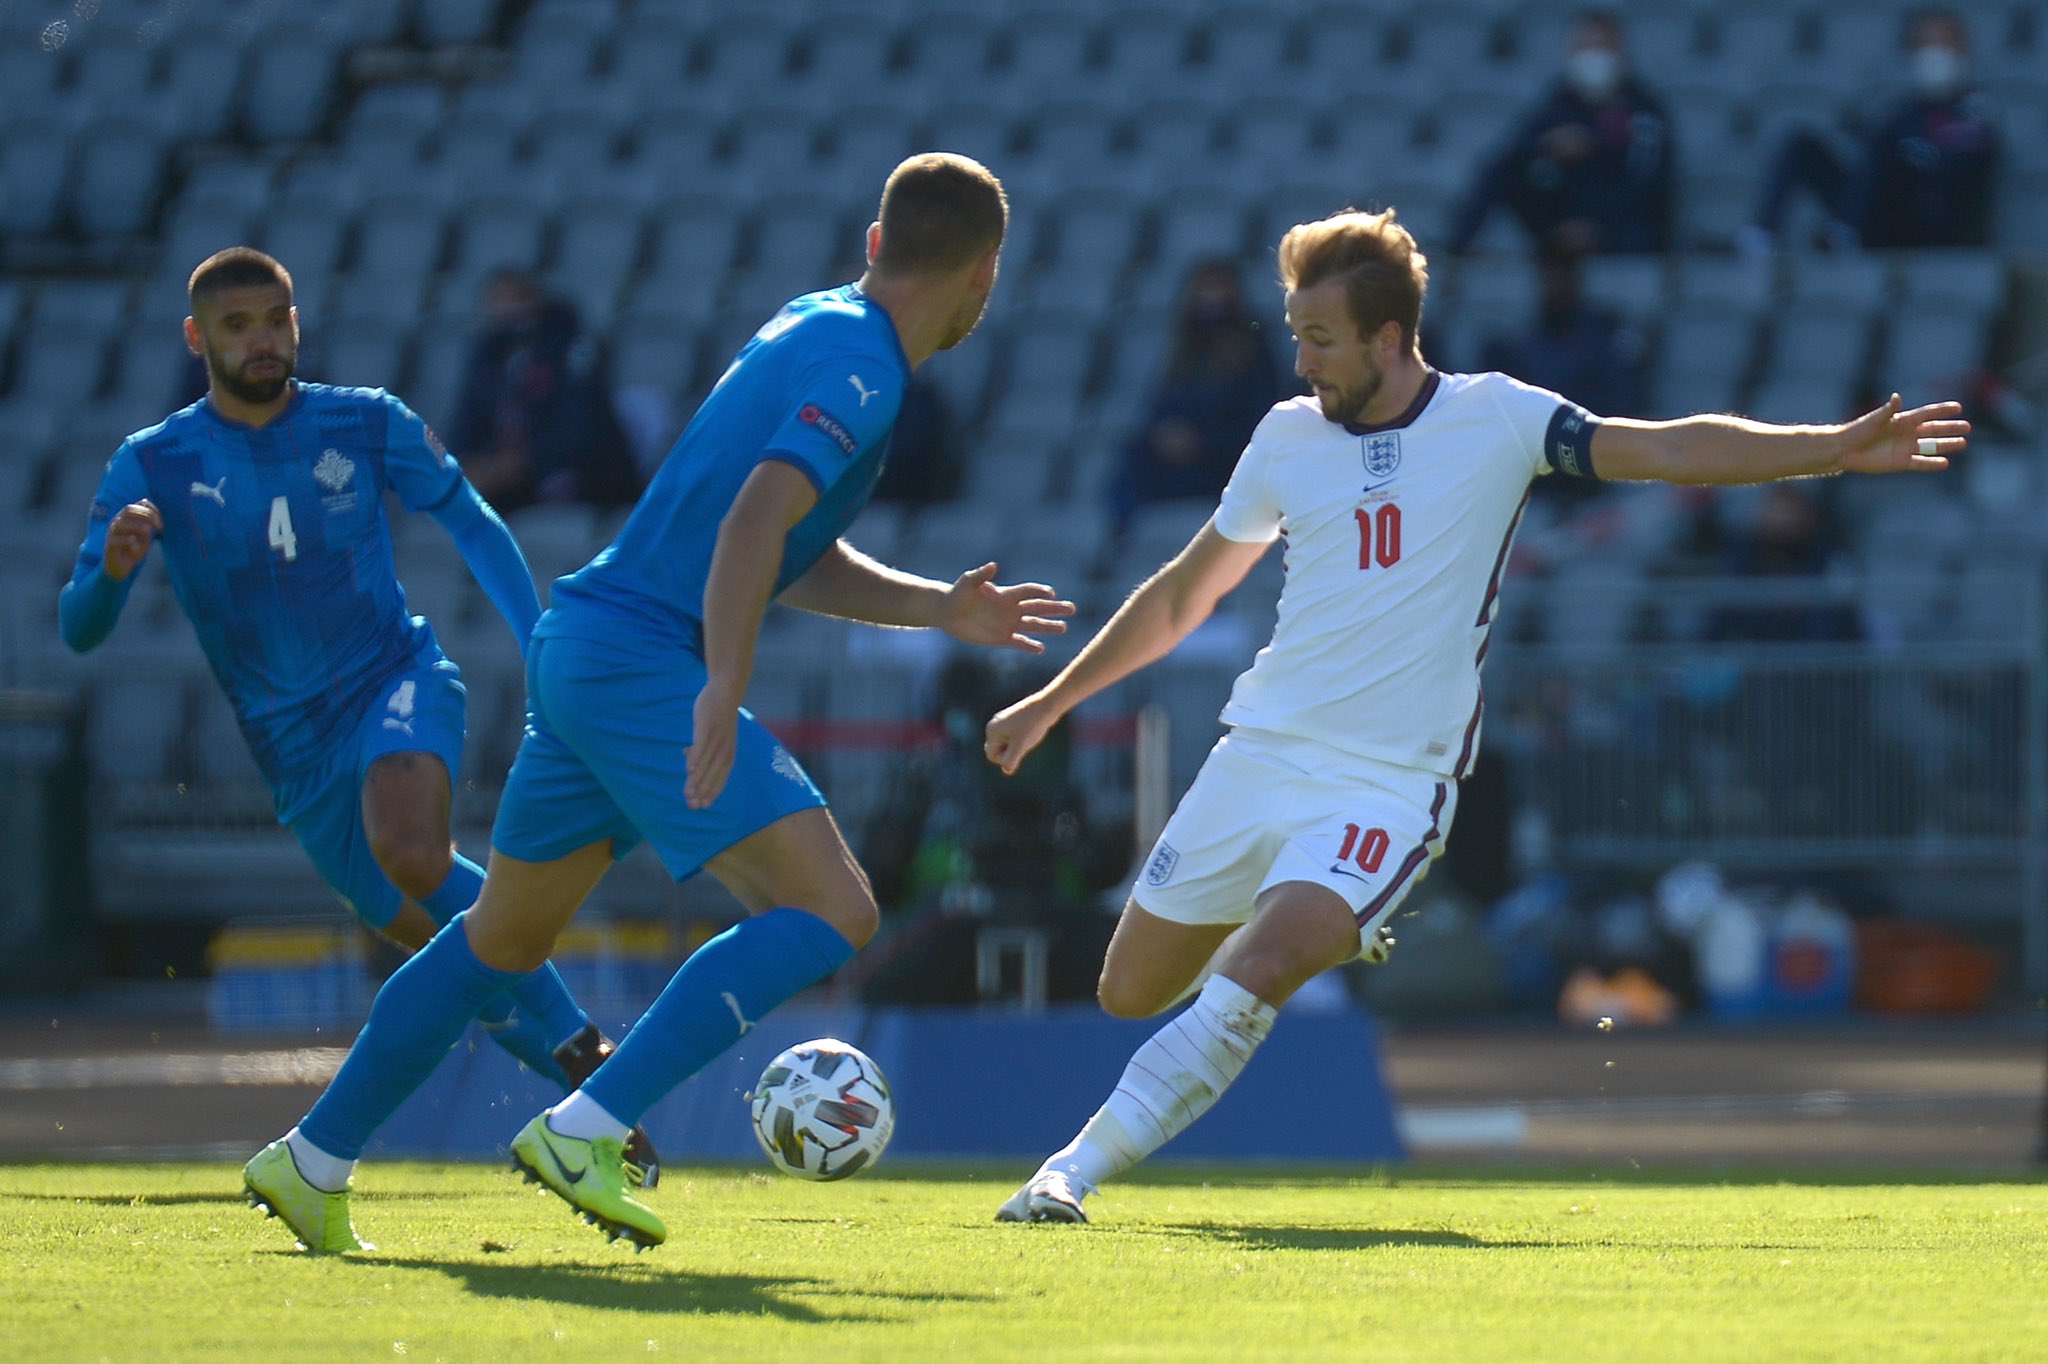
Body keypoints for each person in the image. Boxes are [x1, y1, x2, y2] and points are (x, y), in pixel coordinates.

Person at [981, 206, 1964, 1224]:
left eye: (1319, 338)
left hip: (1387, 784)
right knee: (1128, 990)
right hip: (1259, 754)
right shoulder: (1283, 436)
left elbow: (1662, 448)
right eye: (1295, 334)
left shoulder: (1496, 418)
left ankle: (1067, 1172)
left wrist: (1826, 450)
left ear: (1387, 338)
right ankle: (1326, 912)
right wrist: (1057, 697)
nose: (1301, 358)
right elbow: (1185, 594)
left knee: (1259, 963)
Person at [242, 153, 1073, 1252]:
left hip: (585, 642)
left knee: (498, 937)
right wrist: (721, 689)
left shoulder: (816, 319)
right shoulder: (864, 369)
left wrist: (937, 611)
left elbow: (784, 541)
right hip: (644, 662)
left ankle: (310, 1157)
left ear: (875, 245)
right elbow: (748, 529)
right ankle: (586, 1126)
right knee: (836, 909)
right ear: (986, 272)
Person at [61, 249, 655, 1234]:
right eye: (240, 323)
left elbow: (474, 524)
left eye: (277, 318)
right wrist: (113, 571)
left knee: (416, 853)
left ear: (297, 324)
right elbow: (79, 627)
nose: (263, 338)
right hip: (294, 757)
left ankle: (585, 1063)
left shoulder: (365, 419)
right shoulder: (152, 461)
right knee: (446, 950)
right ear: (196, 337)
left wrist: (539, 647)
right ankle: (563, 1089)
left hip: (398, 681)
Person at [1743, 7, 2000, 254]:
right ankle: (1761, 239)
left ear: (1965, 49)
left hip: (1928, 223)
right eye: (1926, 44)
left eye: (1944, 44)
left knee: (1887, 143)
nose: (1935, 53)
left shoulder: (1976, 112)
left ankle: (1845, 231)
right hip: (1878, 214)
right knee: (1800, 143)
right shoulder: (1905, 111)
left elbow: (1959, 172)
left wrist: (1914, 154)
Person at [1446, 8, 1674, 257]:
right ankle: (1455, 255)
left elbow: (1650, 185)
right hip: (1560, 227)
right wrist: (1545, 147)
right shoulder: (1558, 104)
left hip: (1623, 232)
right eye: (1585, 47)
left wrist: (1596, 148)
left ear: (1622, 52)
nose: (1594, 56)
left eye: (1603, 47)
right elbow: (1509, 159)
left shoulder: (1643, 112)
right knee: (1506, 172)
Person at [1110, 257, 1284, 534]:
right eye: (1204, 288)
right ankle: (1117, 541)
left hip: (1222, 459)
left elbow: (1258, 420)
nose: (1210, 298)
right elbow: (1161, 410)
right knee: (1133, 457)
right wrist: (1167, 436)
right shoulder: (1183, 352)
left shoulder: (1252, 350)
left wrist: (1201, 441)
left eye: (1218, 288)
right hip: (1176, 461)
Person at [447, 268, 643, 513]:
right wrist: (470, 462)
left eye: (514, 300)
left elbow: (584, 429)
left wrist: (521, 464)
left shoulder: (572, 346)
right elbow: (467, 419)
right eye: (495, 302)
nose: (504, 311)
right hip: (506, 477)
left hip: (575, 472)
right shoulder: (489, 354)